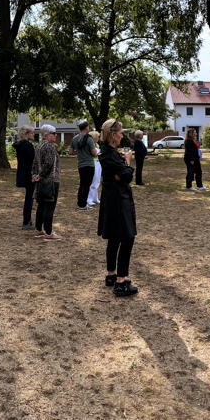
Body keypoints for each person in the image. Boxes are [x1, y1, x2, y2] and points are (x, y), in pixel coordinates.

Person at [98, 119, 139, 297]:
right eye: (121, 132)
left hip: (114, 198)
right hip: (118, 200)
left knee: (115, 237)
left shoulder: (109, 153)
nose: (122, 135)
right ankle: (121, 281)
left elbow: (121, 175)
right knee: (126, 237)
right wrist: (127, 162)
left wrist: (122, 169)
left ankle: (111, 275)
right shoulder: (109, 154)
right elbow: (127, 176)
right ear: (113, 135)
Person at [33, 124, 62, 240]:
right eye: (54, 133)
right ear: (47, 135)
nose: (56, 135)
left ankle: (39, 229)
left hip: (41, 181)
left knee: (41, 205)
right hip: (51, 180)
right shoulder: (49, 146)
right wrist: (40, 175)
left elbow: (34, 164)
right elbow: (48, 164)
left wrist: (35, 176)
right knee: (49, 207)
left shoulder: (39, 146)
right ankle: (49, 232)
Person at [14, 125, 37, 230]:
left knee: (29, 198)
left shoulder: (20, 145)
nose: (33, 134)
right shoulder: (27, 145)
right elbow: (33, 160)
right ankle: (27, 222)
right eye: (32, 133)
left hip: (23, 173)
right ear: (27, 134)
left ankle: (27, 221)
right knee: (29, 198)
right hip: (29, 174)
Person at [71, 120, 96, 209]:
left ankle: (80, 202)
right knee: (87, 185)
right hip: (89, 164)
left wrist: (79, 152)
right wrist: (96, 152)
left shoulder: (75, 138)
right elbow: (93, 153)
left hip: (80, 164)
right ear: (86, 128)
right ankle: (83, 205)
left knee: (82, 184)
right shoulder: (89, 139)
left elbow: (71, 152)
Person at [87, 130, 103, 206]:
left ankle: (95, 198)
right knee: (92, 182)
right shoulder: (90, 145)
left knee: (97, 181)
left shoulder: (97, 145)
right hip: (93, 163)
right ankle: (89, 199)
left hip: (98, 163)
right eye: (98, 137)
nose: (99, 138)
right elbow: (94, 154)